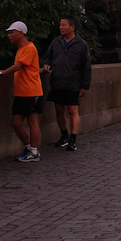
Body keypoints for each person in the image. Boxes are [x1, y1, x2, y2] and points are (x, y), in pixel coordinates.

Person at [0, 21, 44, 163]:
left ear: (21, 32)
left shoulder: (30, 48)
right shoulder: (20, 49)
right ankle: (29, 147)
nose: (9, 35)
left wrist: (1, 73)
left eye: (12, 32)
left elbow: (18, 66)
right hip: (21, 92)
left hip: (31, 91)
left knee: (32, 122)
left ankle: (34, 151)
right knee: (16, 122)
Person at [41, 16, 91, 152]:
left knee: (72, 110)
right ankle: (64, 135)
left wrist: (84, 86)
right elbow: (49, 57)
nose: (60, 27)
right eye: (60, 25)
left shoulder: (81, 44)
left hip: (73, 82)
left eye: (63, 25)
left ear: (72, 27)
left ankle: (73, 139)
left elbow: (86, 66)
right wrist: (46, 64)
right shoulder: (56, 42)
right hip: (57, 81)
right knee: (59, 110)